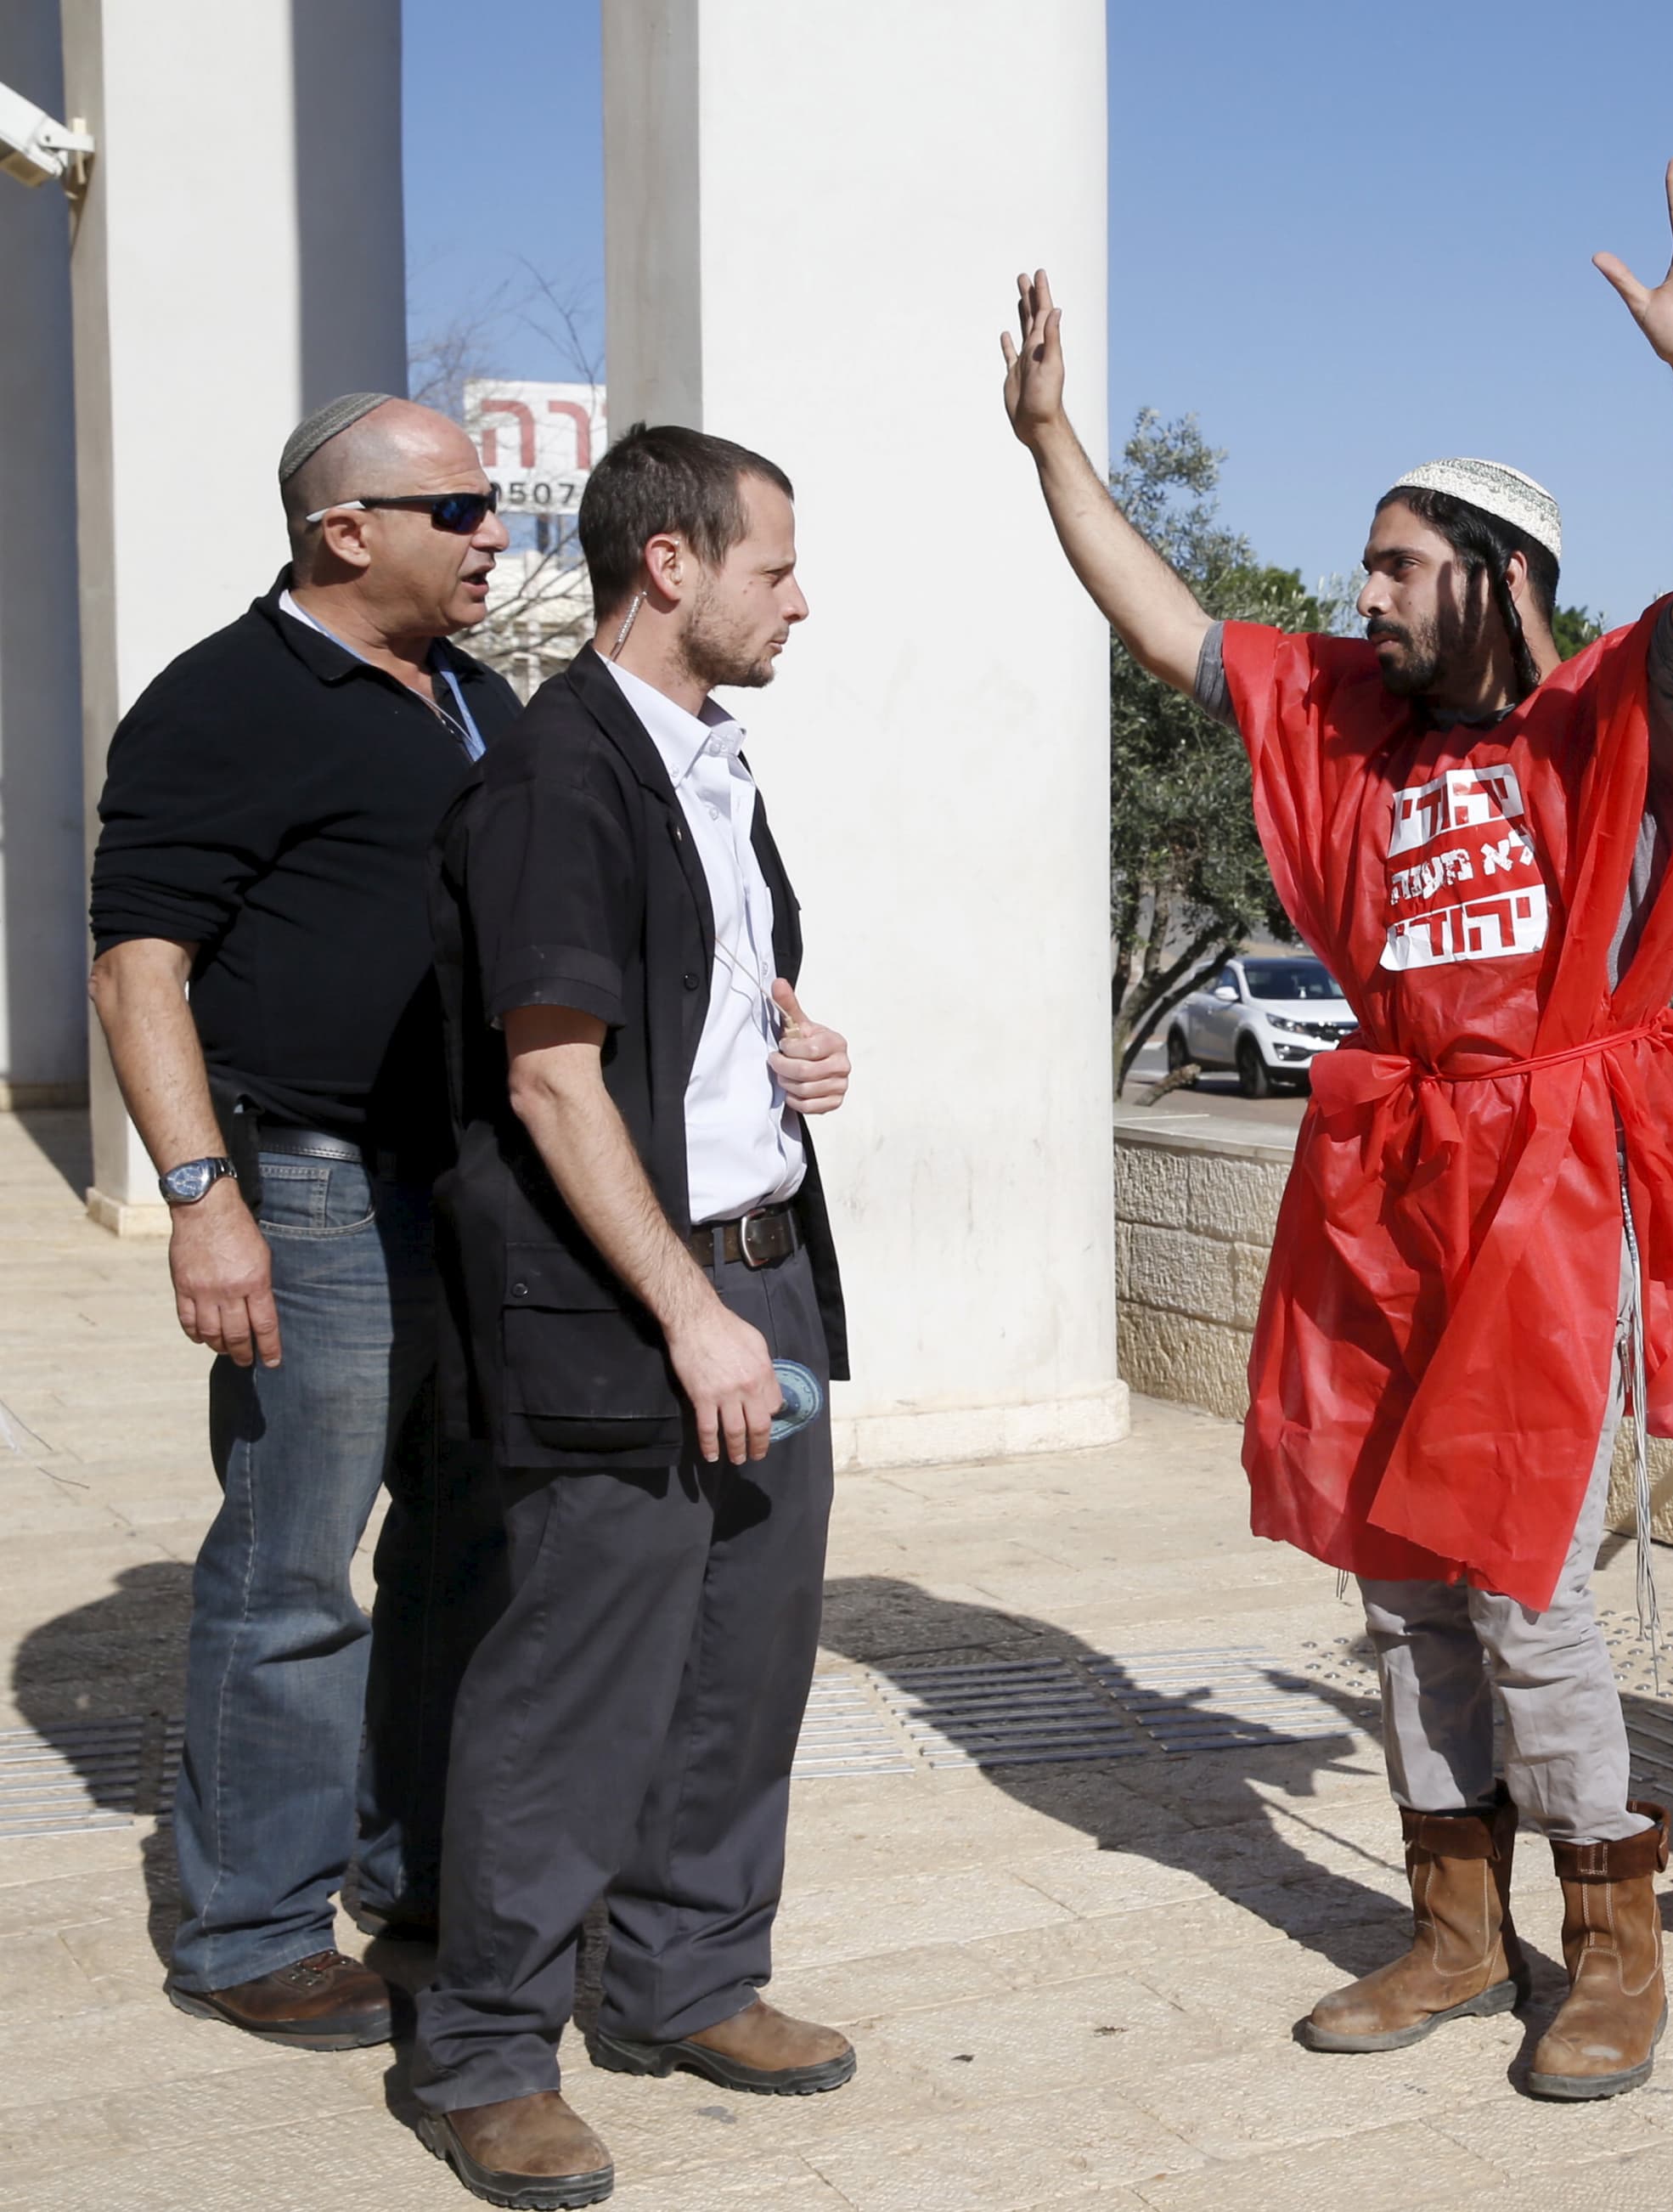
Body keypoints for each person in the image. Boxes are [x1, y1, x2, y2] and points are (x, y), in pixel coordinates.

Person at [1000, 144, 1673, 2100]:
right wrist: (1049, 446)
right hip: (1384, 1161)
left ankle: (1611, 1940)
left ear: (1502, 582)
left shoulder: (1605, 710)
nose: (1362, 594)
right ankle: (1452, 1925)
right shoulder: (1344, 714)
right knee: (1395, 1570)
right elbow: (1165, 623)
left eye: (1398, 565)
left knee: (1519, 1578)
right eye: (1364, 567)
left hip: (1544, 1169)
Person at [408, 425, 857, 2210]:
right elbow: (552, 1084)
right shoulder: (556, 777)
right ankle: (491, 2053)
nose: (799, 600)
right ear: (666, 564)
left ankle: (685, 1980)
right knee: (573, 1689)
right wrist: (689, 1317)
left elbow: (698, 999)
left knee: (744, 1667)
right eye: (774, 568)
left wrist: (791, 1039)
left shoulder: (711, 766)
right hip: (628, 1308)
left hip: (769, 1272)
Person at [87, 393, 517, 2047]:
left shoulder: (474, 696)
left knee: (463, 1547)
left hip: (474, 1189)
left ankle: (411, 1871)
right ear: (347, 531)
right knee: (292, 1570)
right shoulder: (224, 699)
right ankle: (252, 1930)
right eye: (460, 508)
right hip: (314, 1185)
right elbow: (140, 965)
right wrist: (204, 1200)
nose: (495, 532)